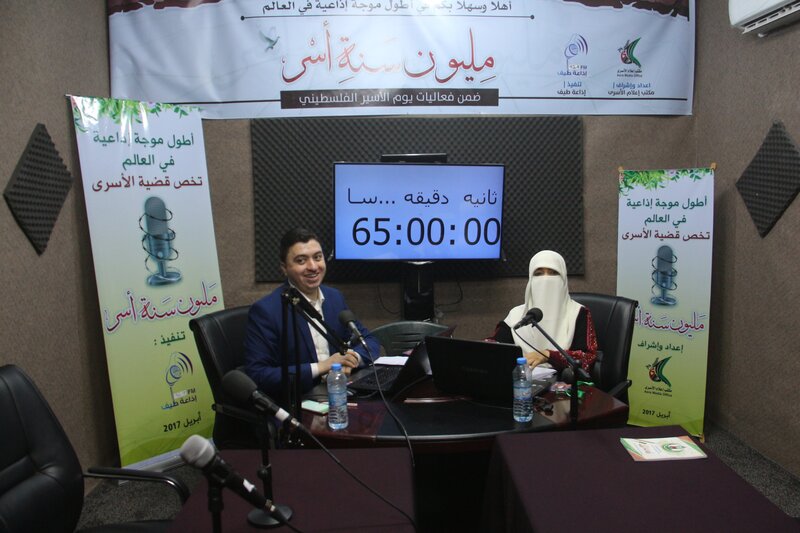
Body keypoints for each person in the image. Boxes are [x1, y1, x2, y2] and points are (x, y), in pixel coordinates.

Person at [244, 228, 379, 397]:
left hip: (339, 393)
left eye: (317, 257)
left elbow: (369, 341)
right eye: (301, 261)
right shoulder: (267, 311)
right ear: (284, 268)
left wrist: (352, 359)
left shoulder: (335, 298)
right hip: (298, 400)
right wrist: (322, 366)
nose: (313, 267)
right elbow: (259, 374)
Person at [488, 250, 597, 374]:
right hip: (524, 381)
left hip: (565, 381)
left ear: (563, 279)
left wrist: (548, 355)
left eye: (553, 273)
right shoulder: (517, 315)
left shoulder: (578, 313)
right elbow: (495, 346)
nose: (546, 279)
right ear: (530, 280)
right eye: (538, 274)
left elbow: (588, 359)